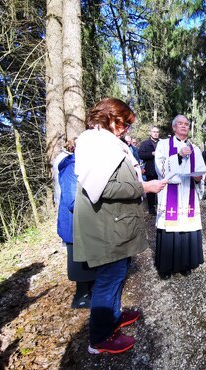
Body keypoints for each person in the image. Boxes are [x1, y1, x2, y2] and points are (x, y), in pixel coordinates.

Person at [73, 98, 167, 355]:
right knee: (109, 278)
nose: (126, 128)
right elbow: (101, 187)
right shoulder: (97, 143)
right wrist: (144, 187)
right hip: (106, 226)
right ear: (108, 117)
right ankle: (100, 338)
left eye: (128, 124)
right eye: (124, 122)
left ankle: (113, 318)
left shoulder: (105, 141)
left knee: (117, 273)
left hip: (114, 222)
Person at [154, 115, 206, 279]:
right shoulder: (163, 144)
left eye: (187, 124)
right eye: (180, 124)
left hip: (188, 191)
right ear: (174, 127)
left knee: (187, 227)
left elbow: (200, 170)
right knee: (171, 228)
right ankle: (166, 267)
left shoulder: (195, 148)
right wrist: (178, 155)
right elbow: (160, 168)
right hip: (171, 192)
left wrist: (199, 178)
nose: (184, 126)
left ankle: (185, 264)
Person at [56, 138, 96, 309]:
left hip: (84, 221)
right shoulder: (71, 168)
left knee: (87, 258)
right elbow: (73, 200)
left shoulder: (81, 165)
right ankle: (81, 296)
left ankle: (89, 290)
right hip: (74, 222)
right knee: (79, 261)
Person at [138, 126, 160, 214]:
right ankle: (151, 208)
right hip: (150, 170)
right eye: (154, 132)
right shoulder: (145, 143)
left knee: (161, 189)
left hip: (161, 170)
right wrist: (152, 154)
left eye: (157, 132)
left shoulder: (162, 143)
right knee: (151, 190)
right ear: (150, 133)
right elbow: (141, 155)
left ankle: (161, 206)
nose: (156, 133)